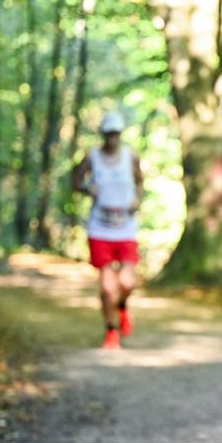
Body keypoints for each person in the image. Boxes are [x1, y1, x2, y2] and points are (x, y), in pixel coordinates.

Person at [72, 112, 144, 349]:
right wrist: (87, 188)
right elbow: (75, 181)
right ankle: (111, 330)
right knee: (107, 286)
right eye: (109, 133)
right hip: (100, 228)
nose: (112, 138)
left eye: (116, 133)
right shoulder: (92, 157)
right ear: (103, 134)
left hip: (126, 227)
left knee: (126, 282)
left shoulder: (130, 157)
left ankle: (122, 308)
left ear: (120, 134)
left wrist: (137, 199)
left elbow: (140, 182)